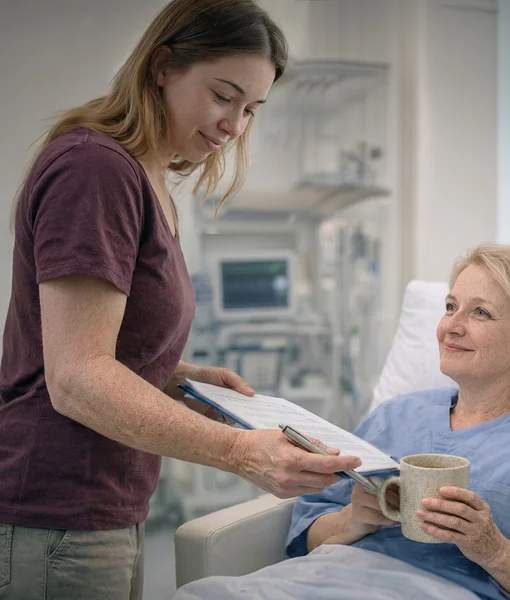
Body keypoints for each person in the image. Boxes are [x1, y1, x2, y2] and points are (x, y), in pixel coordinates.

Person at [0, 1, 363, 599]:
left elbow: (95, 343)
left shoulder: (145, 180)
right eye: (223, 95)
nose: (235, 124)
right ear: (163, 65)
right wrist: (242, 452)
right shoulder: (96, 170)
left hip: (103, 502)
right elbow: (75, 376)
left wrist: (182, 377)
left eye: (251, 109)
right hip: (57, 508)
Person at [173, 244, 510, 600]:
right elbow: (308, 530)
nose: (451, 326)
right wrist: (353, 520)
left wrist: (494, 549)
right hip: (319, 578)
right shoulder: (396, 415)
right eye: (450, 307)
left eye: (481, 313)